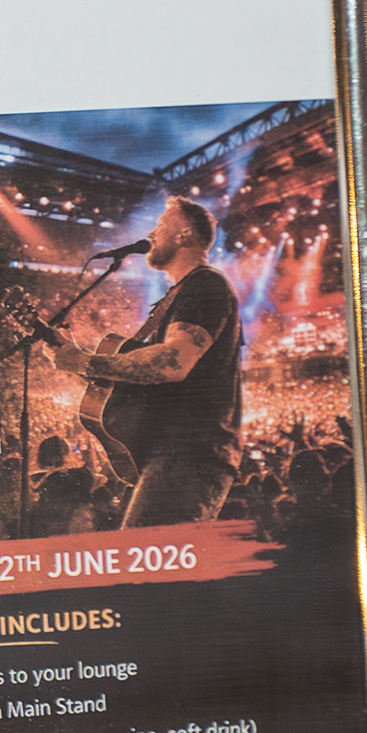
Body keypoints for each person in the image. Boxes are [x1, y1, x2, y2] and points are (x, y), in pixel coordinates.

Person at [77, 196, 244, 528]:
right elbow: (147, 376)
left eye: (161, 225)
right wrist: (72, 357)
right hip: (173, 455)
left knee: (144, 557)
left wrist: (86, 363)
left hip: (190, 455)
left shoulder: (205, 285)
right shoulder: (180, 294)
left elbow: (173, 363)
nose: (152, 233)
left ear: (184, 235)